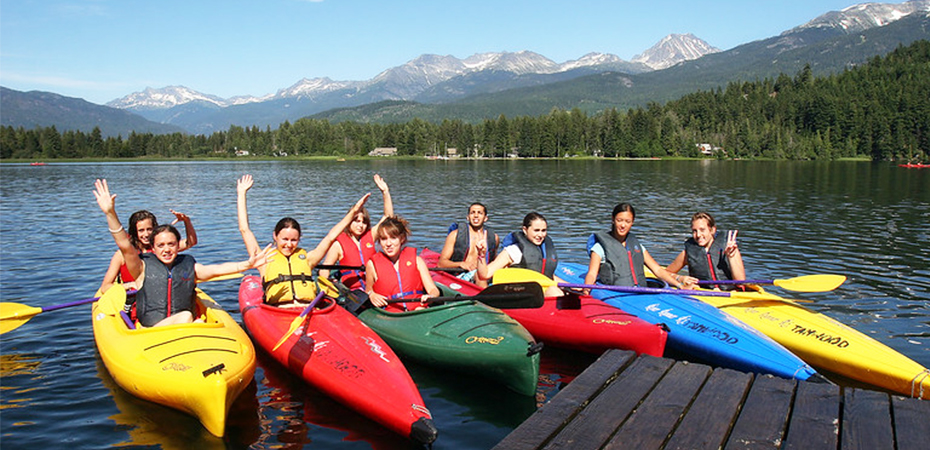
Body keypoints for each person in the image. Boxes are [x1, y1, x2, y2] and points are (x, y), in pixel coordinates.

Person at [93, 179, 269, 327]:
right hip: (153, 330)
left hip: (181, 329)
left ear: (178, 246)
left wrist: (247, 264)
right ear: (153, 248)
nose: (167, 249)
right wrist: (110, 213)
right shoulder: (141, 267)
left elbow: (216, 270)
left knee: (195, 321)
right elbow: (124, 244)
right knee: (187, 317)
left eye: (171, 244)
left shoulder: (187, 266)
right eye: (161, 245)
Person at [236, 174, 372, 306]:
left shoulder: (308, 259)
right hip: (278, 314)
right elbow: (245, 230)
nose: (289, 244)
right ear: (275, 236)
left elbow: (331, 236)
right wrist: (241, 194)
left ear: (299, 239)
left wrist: (354, 211)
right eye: (284, 239)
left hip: (308, 311)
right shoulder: (263, 260)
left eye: (294, 240)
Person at [583, 203, 685, 292]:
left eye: (627, 221)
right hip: (615, 292)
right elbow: (592, 274)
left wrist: (679, 285)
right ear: (613, 220)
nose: (623, 225)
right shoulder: (599, 248)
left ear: (632, 222)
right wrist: (586, 290)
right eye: (619, 220)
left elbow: (657, 270)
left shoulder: (638, 247)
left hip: (640, 291)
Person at [318, 174, 393, 290]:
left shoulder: (371, 236)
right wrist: (327, 286)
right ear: (349, 222)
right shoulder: (338, 244)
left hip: (374, 289)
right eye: (356, 221)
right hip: (354, 291)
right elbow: (325, 268)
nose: (360, 225)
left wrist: (385, 192)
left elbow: (388, 217)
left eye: (363, 222)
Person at [99, 209, 198, 293]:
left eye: (149, 229)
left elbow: (191, 242)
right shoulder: (122, 255)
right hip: (132, 297)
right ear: (134, 232)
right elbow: (105, 287)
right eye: (141, 230)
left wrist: (186, 221)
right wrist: (130, 285)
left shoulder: (162, 248)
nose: (146, 234)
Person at [476, 212, 565, 297]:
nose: (540, 235)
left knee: (557, 291)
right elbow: (485, 274)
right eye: (536, 230)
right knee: (554, 292)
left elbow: (547, 275)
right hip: (520, 294)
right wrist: (481, 255)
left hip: (542, 291)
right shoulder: (513, 251)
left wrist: (570, 285)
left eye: (543, 230)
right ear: (525, 230)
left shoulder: (544, 250)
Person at [365, 215, 440, 312]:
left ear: (402, 239)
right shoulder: (372, 264)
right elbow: (368, 290)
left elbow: (434, 290)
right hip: (390, 312)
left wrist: (431, 296)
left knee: (418, 310)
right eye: (384, 239)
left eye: (393, 238)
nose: (388, 244)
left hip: (417, 308)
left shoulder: (417, 261)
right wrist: (372, 294)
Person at [665, 211, 745, 289]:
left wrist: (730, 257)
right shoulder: (687, 253)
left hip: (730, 294)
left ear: (712, 230)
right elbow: (665, 273)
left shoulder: (730, 249)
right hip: (703, 295)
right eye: (695, 231)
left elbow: (740, 283)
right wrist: (680, 278)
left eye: (702, 230)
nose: (698, 235)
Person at [437, 202, 500, 287]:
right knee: (479, 275)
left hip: (486, 275)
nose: (476, 216)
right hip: (462, 276)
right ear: (468, 217)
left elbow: (495, 262)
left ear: (485, 218)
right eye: (472, 213)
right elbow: (441, 263)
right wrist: (461, 264)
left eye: (480, 213)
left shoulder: (494, 238)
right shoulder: (454, 235)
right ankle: (486, 298)